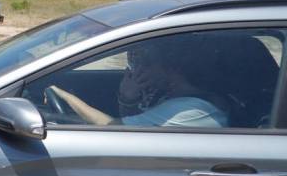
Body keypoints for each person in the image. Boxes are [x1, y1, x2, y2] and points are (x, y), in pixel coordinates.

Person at [46, 40, 228, 128]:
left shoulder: (188, 109)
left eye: (146, 64)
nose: (138, 70)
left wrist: (63, 95)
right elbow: (135, 128)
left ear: (170, 70)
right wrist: (128, 99)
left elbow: (111, 127)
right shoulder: (177, 97)